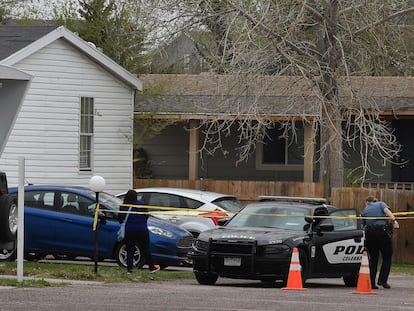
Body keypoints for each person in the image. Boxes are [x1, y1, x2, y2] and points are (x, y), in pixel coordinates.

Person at [118, 189, 160, 274]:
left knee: (130, 250)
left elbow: (120, 219)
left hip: (129, 230)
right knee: (146, 249)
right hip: (142, 229)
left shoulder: (123, 206)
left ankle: (130, 269)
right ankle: (151, 267)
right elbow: (146, 216)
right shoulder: (141, 204)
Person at [362, 196, 399, 289]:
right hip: (381, 233)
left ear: (367, 202)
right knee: (387, 257)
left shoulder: (365, 209)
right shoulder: (381, 204)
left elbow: (363, 223)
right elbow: (387, 211)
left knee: (373, 259)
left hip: (370, 234)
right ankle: (382, 280)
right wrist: (394, 221)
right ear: (375, 201)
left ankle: (372, 283)